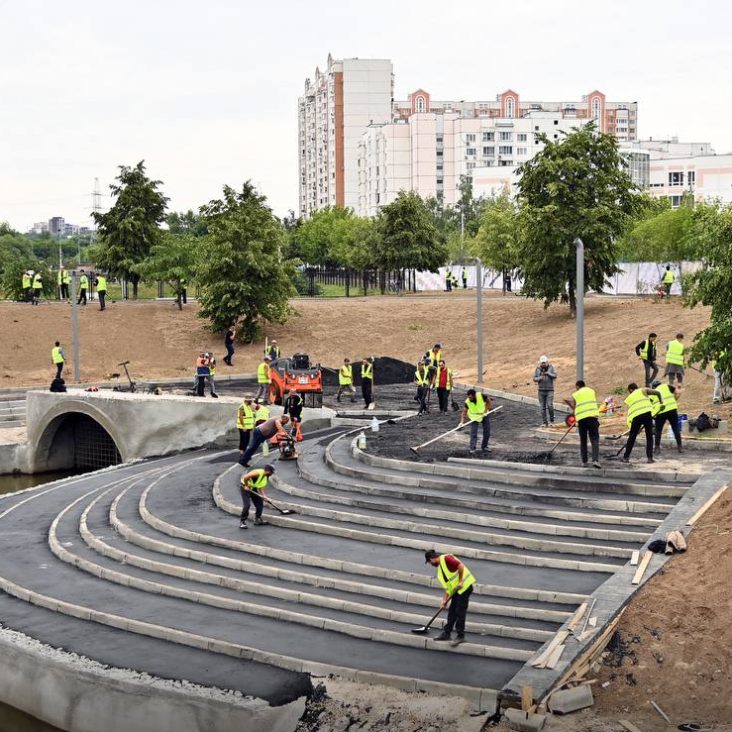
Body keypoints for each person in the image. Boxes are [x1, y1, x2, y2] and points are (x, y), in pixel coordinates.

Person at [424, 549, 476, 646]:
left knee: (460, 611)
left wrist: (460, 581)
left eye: (429, 562)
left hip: (465, 586)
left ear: (431, 559)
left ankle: (460, 636)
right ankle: (446, 633)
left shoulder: (446, 558)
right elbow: (447, 588)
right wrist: (444, 601)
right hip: (456, 590)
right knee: (452, 611)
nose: (431, 564)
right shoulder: (440, 571)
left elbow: (460, 566)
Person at [622, 383, 664, 464]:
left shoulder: (629, 398)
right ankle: (650, 458)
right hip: (647, 415)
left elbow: (630, 414)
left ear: (631, 389)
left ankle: (626, 457)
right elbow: (657, 393)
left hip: (636, 417)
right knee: (649, 437)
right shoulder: (643, 390)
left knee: (632, 437)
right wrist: (661, 403)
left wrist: (633, 428)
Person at [564, 380, 601, 468]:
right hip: (592, 418)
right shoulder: (592, 391)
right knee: (594, 440)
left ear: (577, 386)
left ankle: (584, 461)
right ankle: (595, 460)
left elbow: (575, 408)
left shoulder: (576, 394)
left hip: (582, 420)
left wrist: (568, 402)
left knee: (583, 440)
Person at [650, 380, 682, 454]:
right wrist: (674, 400)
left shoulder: (653, 391)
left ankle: (657, 448)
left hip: (661, 412)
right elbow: (678, 392)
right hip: (672, 409)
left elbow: (650, 404)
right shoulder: (667, 386)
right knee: (675, 428)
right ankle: (680, 447)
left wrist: (652, 415)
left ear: (654, 386)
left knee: (658, 430)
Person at [239, 464, 275, 529]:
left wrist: (264, 496)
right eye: (271, 472)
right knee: (247, 505)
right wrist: (246, 485)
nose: (272, 474)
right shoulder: (257, 473)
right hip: (245, 488)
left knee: (259, 503)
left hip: (253, 488)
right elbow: (246, 477)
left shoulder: (265, 477)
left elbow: (261, 487)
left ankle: (257, 519)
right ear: (268, 471)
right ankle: (242, 521)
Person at [461, 388, 493, 453]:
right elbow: (464, 412)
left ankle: (484, 447)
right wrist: (461, 422)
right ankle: (472, 448)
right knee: (473, 433)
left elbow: (488, 401)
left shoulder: (481, 395)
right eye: (468, 397)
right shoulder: (467, 402)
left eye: (471, 397)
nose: (469, 399)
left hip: (483, 415)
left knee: (487, 432)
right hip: (474, 417)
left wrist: (486, 410)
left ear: (474, 395)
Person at [533, 355, 557, 426]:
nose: (543, 364)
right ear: (540, 363)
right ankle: (544, 422)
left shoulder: (551, 367)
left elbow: (555, 375)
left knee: (549, 405)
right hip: (541, 390)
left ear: (547, 362)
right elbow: (534, 378)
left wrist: (548, 373)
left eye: (544, 362)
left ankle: (552, 420)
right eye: (542, 363)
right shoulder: (538, 369)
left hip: (550, 390)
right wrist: (540, 378)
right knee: (542, 407)